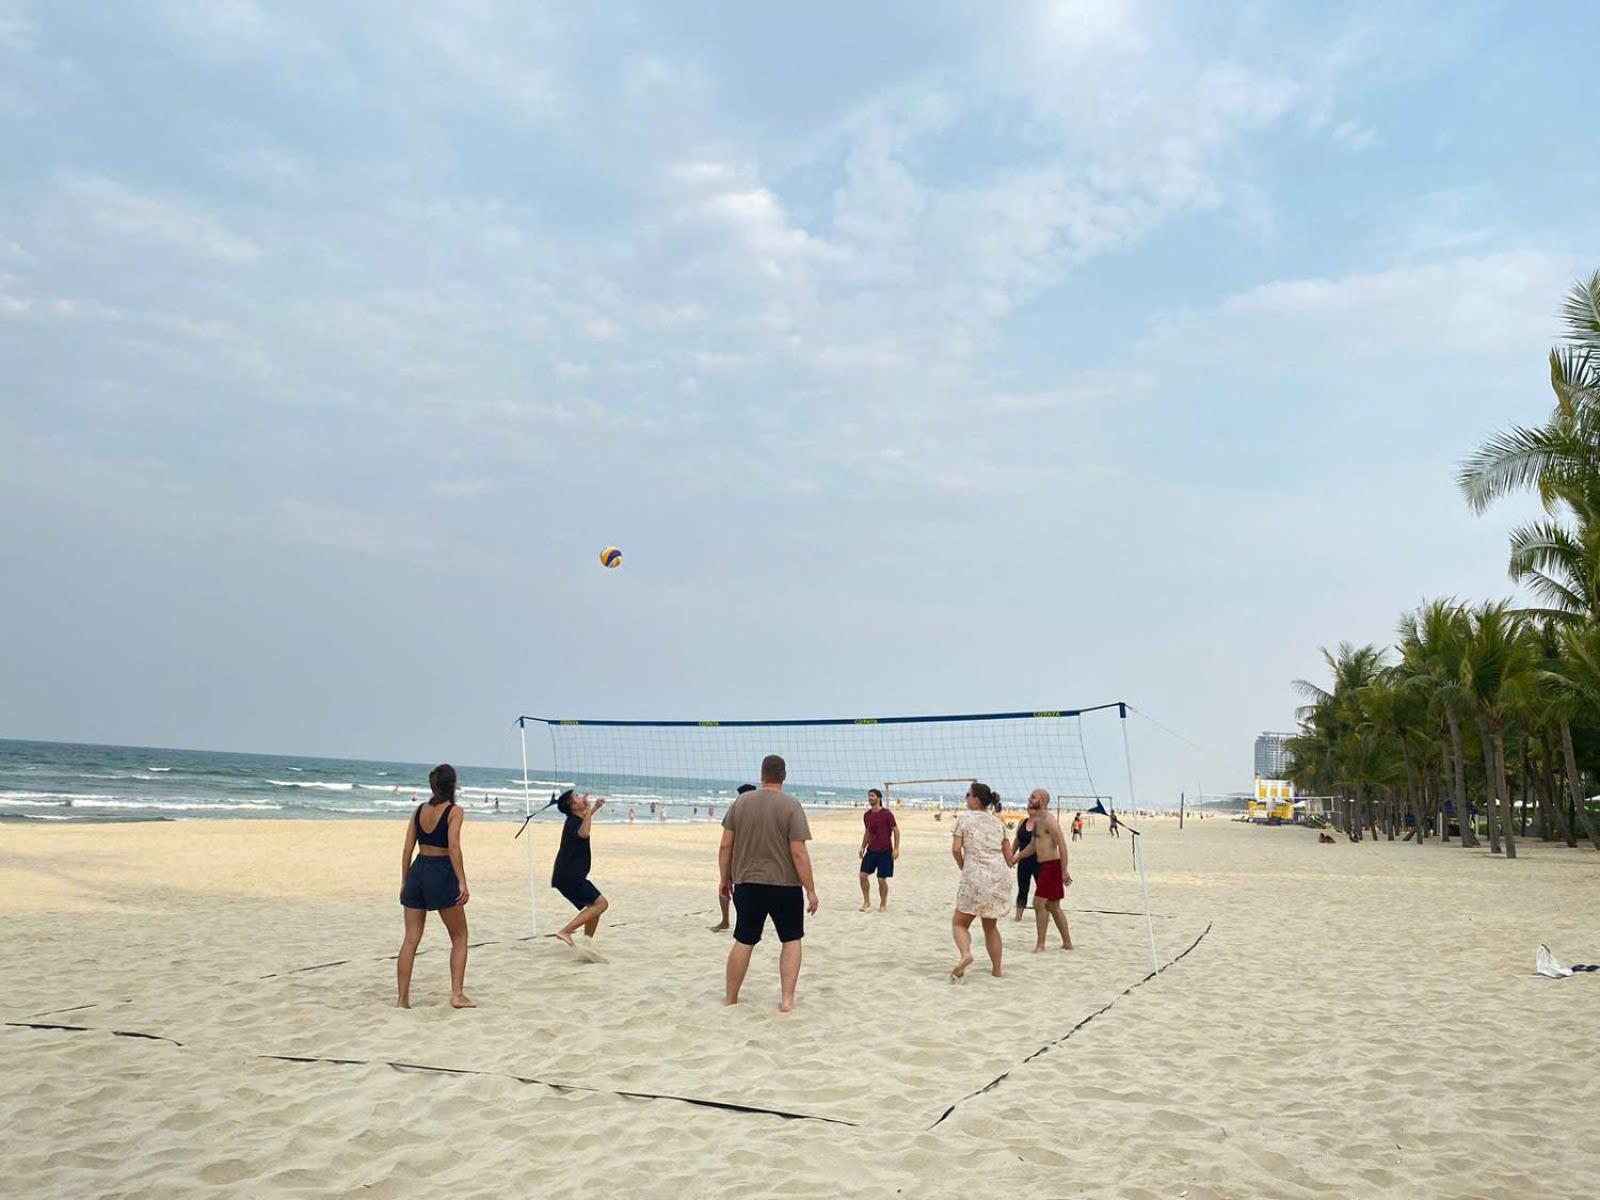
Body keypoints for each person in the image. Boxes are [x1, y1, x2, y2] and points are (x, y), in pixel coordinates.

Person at [718, 756, 817, 1012]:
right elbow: (798, 852)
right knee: (791, 939)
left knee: (744, 939)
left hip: (747, 883)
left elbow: (725, 845)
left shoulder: (741, 802)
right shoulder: (791, 805)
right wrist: (810, 890)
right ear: (784, 776)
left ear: (762, 774)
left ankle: (731, 998)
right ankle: (787, 1001)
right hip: (785, 885)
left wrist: (724, 878)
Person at [396, 763, 473, 1009]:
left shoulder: (419, 810)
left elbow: (407, 849)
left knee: (411, 939)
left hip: (418, 870)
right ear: (453, 785)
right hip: (440, 872)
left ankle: (402, 1000)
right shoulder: (454, 811)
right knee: (460, 936)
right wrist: (462, 881)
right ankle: (457, 995)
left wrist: (405, 880)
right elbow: (454, 848)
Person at [949, 782, 1015, 981]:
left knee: (959, 924)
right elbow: (1009, 857)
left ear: (976, 799)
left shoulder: (964, 819)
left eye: (968, 795)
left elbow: (956, 849)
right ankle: (997, 970)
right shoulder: (998, 822)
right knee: (990, 926)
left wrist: (962, 864)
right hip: (998, 877)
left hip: (975, 876)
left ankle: (966, 954)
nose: (966, 798)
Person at [1013, 788, 1073, 951]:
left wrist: (1064, 871)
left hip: (1051, 866)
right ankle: (1067, 943)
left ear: (1043, 801)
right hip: (1047, 866)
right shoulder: (1038, 820)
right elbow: (1033, 846)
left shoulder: (1048, 820)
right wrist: (1017, 857)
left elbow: (1062, 845)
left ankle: (1041, 945)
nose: (1029, 799)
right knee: (1053, 906)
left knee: (1038, 904)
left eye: (1033, 797)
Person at [551, 790, 609, 950]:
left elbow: (584, 821)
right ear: (573, 806)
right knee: (601, 904)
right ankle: (565, 932)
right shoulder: (572, 823)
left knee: (594, 906)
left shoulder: (575, 820)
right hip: (569, 876)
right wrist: (589, 807)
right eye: (576, 797)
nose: (581, 797)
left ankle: (587, 943)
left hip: (568, 875)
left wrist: (594, 808)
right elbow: (584, 833)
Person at [710, 784, 758, 932]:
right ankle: (734, 922)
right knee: (750, 891)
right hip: (754, 857)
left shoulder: (736, 810)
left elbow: (725, 844)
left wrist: (723, 875)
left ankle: (726, 921)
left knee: (727, 888)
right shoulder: (759, 811)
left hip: (739, 857)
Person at [857, 787, 900, 912]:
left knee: (881, 880)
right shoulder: (867, 815)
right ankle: (866, 902)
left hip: (885, 851)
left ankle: (883, 904)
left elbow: (896, 831)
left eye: (872, 796)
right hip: (871, 851)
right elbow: (868, 832)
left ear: (879, 798)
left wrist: (896, 849)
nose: (870, 798)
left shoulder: (887, 814)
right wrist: (862, 846)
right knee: (862, 876)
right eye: (869, 796)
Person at [1013, 795, 1041, 921]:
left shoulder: (1041, 823)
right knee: (1022, 890)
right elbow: (1017, 841)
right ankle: (1018, 917)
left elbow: (1035, 846)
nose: (1030, 809)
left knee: (1042, 891)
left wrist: (1017, 856)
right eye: (1029, 807)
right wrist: (1011, 855)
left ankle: (1043, 915)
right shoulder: (1022, 822)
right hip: (1023, 862)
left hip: (1039, 861)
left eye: (1033, 807)